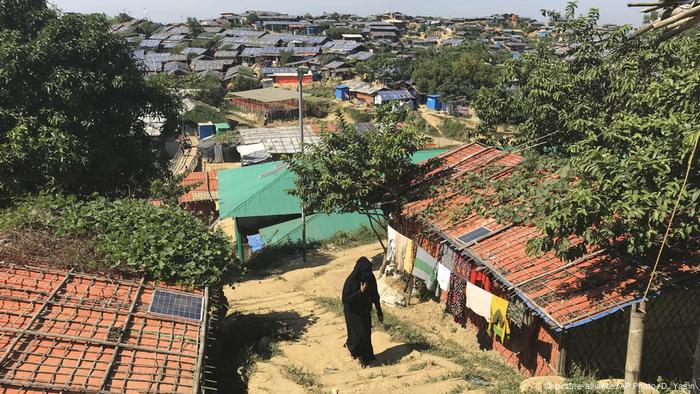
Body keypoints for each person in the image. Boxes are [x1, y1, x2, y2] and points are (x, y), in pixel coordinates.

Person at [342, 257, 383, 367]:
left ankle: (366, 356)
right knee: (359, 334)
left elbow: (375, 295)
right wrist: (360, 292)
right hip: (352, 311)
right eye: (365, 271)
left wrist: (379, 312)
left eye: (369, 271)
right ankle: (357, 354)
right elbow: (346, 299)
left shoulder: (370, 278)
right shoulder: (351, 281)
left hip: (364, 309)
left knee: (366, 333)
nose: (367, 274)